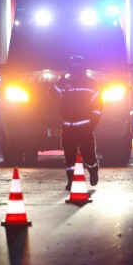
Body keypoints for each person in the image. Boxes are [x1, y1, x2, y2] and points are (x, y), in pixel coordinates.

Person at [52, 55, 103, 190]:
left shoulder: (91, 83)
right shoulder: (66, 82)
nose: (75, 70)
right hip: (68, 127)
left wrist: (93, 123)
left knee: (88, 154)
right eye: (73, 67)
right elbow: (52, 94)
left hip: (85, 127)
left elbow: (98, 104)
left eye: (77, 67)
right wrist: (61, 80)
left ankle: (93, 169)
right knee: (69, 156)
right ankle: (71, 181)